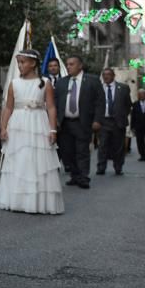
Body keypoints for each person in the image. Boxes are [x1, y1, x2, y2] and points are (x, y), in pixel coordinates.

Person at [0, 49, 64, 215]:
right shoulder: (14, 83)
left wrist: (53, 129)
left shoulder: (45, 82)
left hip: (38, 124)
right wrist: (3, 127)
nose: (20, 65)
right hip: (18, 125)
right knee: (20, 160)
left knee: (38, 161)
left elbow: (51, 107)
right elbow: (8, 108)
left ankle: (39, 202)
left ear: (33, 63)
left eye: (23, 62)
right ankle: (17, 200)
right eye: (18, 62)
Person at [54, 56, 104, 189]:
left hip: (83, 122)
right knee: (67, 152)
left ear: (80, 66)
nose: (68, 67)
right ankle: (75, 175)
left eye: (72, 64)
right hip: (65, 123)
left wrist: (97, 120)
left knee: (82, 151)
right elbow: (55, 103)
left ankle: (83, 177)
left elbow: (100, 102)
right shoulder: (61, 83)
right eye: (67, 64)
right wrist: (55, 120)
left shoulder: (92, 81)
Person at [96, 67, 130, 176]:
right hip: (104, 122)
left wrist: (121, 115)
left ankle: (118, 167)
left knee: (118, 147)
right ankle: (101, 167)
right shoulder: (99, 88)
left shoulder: (123, 88)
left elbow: (128, 105)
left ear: (113, 76)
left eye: (108, 74)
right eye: (104, 75)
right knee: (102, 146)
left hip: (117, 122)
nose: (106, 76)